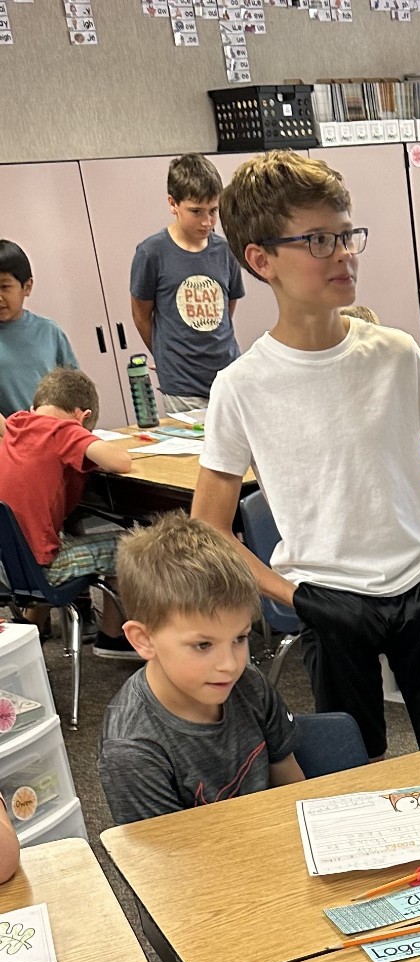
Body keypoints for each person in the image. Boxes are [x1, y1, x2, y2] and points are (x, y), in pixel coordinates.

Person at [193, 151, 420, 759]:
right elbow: (207, 525)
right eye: (318, 240)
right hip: (329, 599)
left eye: (346, 234)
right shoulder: (242, 386)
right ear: (261, 260)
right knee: (353, 763)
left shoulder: (394, 352)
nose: (343, 253)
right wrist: (294, 596)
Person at [98, 513, 303, 825]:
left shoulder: (249, 684)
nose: (231, 664)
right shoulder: (131, 750)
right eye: (203, 645)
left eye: (240, 638)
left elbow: (291, 784)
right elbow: (168, 862)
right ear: (143, 640)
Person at [0, 368, 137, 659]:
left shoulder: (16, 423)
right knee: (129, 545)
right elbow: (120, 462)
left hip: (5, 567)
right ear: (82, 416)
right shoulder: (63, 429)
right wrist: (79, 435)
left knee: (42, 533)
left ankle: (32, 625)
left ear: (34, 407)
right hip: (37, 571)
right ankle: (112, 638)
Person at [130, 154, 245, 413]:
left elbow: (228, 305)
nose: (207, 222)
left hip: (227, 374)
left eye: (213, 211)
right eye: (196, 212)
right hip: (182, 383)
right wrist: (164, 355)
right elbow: (141, 314)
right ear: (173, 203)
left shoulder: (225, 251)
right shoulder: (152, 252)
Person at [0, 240, 77, 418]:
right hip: (8, 438)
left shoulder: (48, 331)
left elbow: (75, 388)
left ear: (27, 287)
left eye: (4, 287)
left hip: (53, 431)